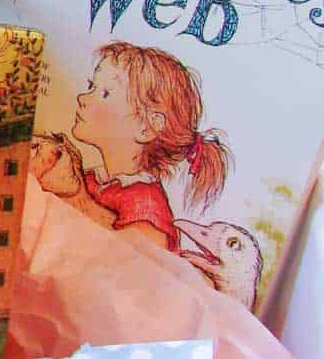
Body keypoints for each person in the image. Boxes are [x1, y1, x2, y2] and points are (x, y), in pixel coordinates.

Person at [69, 42, 230, 252]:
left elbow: (122, 273)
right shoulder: (91, 179)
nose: (82, 98)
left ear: (147, 127)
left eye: (105, 93)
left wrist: (73, 194)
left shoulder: (147, 210)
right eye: (91, 86)